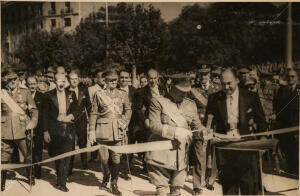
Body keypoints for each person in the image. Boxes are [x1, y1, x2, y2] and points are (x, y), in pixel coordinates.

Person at [205, 68, 267, 195]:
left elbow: (262, 122)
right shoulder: (214, 99)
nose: (226, 87)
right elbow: (207, 124)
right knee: (229, 190)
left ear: (237, 80)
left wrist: (262, 142)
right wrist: (209, 135)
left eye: (229, 83)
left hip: (247, 149)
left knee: (249, 188)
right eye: (223, 84)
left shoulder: (251, 97)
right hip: (225, 150)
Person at [145, 75, 208, 196]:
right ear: (171, 87)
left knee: (177, 190)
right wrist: (175, 132)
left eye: (186, 92)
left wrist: (203, 131)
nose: (184, 95)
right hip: (161, 154)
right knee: (162, 190)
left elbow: (197, 126)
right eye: (180, 92)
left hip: (181, 156)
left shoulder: (190, 104)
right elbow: (154, 126)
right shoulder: (157, 102)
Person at [89, 70, 132, 196]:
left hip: (118, 129)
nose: (113, 82)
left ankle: (114, 183)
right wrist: (91, 130)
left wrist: (125, 122)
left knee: (116, 158)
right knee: (104, 159)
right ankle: (106, 176)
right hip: (103, 130)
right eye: (110, 80)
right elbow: (94, 113)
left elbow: (128, 110)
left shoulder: (123, 94)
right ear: (105, 81)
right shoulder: (99, 94)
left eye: (115, 80)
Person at [1, 69, 38, 191]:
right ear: (4, 81)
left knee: (27, 154)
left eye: (14, 79)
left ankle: (30, 176)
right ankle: (2, 182)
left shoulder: (25, 92)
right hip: (5, 130)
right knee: (3, 157)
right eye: (9, 79)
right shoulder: (2, 93)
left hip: (23, 129)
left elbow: (34, 110)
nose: (12, 82)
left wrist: (32, 123)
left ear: (18, 79)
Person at [43, 73, 79, 192]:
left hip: (68, 130)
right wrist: (45, 131)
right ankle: (60, 176)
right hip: (54, 130)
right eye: (59, 81)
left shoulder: (71, 94)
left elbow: (77, 110)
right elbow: (45, 116)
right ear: (54, 82)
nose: (61, 83)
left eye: (64, 81)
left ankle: (61, 182)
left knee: (66, 156)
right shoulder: (48, 95)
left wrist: (71, 116)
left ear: (66, 82)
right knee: (56, 155)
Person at [273, 69, 299, 174]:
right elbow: (278, 108)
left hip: (297, 126)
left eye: (293, 76)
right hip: (285, 127)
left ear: (297, 77)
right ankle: (292, 171)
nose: (290, 78)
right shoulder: (281, 90)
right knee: (288, 151)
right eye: (288, 76)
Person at [67, 71, 92, 174]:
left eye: (76, 79)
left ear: (78, 79)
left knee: (83, 142)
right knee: (71, 143)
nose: (74, 81)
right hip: (70, 121)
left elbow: (89, 106)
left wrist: (90, 118)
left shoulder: (83, 90)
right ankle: (70, 166)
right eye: (72, 79)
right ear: (68, 80)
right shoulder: (65, 91)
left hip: (81, 120)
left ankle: (84, 163)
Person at [118, 70, 137, 180]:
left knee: (128, 147)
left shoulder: (134, 91)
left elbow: (136, 109)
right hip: (117, 123)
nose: (124, 80)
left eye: (126, 77)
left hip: (131, 124)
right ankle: (116, 169)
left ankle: (125, 171)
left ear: (129, 78)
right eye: (122, 77)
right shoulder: (114, 90)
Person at [27, 76, 45, 179]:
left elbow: (44, 114)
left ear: (37, 84)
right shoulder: (24, 96)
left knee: (38, 150)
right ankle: (30, 173)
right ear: (27, 85)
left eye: (34, 84)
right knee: (28, 151)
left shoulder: (42, 96)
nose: (32, 86)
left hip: (38, 129)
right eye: (30, 84)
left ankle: (37, 172)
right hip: (27, 128)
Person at [88, 70, 106, 162]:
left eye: (104, 77)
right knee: (94, 135)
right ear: (96, 79)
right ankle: (93, 156)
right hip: (96, 115)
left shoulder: (108, 87)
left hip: (106, 117)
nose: (103, 79)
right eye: (101, 77)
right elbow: (91, 104)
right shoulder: (91, 89)